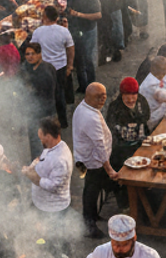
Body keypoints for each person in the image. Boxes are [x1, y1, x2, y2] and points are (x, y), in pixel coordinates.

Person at [22, 117, 74, 255]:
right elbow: (42, 158)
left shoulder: (60, 159)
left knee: (56, 241)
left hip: (53, 208)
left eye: (42, 138)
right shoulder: (53, 147)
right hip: (44, 205)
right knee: (48, 236)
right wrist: (32, 166)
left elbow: (53, 186)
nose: (40, 141)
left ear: (49, 136)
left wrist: (34, 177)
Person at [74, 83, 118, 239]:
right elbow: (99, 145)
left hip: (85, 158)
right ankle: (89, 225)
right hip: (91, 161)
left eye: (104, 95)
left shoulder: (86, 107)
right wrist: (109, 169)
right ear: (87, 97)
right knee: (91, 191)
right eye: (98, 97)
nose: (102, 100)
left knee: (93, 188)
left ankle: (93, 214)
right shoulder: (90, 117)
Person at [31, 5, 75, 126]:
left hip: (44, 69)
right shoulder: (64, 31)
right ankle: (63, 121)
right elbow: (71, 49)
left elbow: (33, 49)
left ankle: (46, 122)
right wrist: (70, 66)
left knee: (45, 95)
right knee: (59, 92)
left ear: (45, 17)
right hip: (60, 67)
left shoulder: (38, 32)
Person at [21, 42, 58, 161]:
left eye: (32, 54)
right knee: (36, 141)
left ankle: (42, 164)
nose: (30, 57)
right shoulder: (27, 68)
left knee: (42, 141)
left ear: (39, 54)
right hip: (34, 111)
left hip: (43, 112)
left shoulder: (45, 72)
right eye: (27, 54)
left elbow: (49, 92)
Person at [67, 0, 103, 92]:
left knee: (88, 58)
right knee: (78, 58)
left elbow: (98, 15)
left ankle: (91, 84)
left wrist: (78, 14)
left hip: (88, 32)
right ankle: (83, 85)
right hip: (76, 32)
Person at [106, 76, 151, 170]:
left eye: (133, 96)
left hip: (140, 145)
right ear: (121, 94)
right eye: (127, 97)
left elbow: (146, 118)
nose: (130, 100)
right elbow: (111, 133)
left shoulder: (142, 102)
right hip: (121, 150)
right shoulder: (114, 108)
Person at [138, 56, 166, 130]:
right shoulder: (151, 86)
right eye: (164, 73)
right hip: (154, 121)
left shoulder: (160, 74)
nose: (165, 75)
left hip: (162, 111)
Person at [88, 214, 161, 258]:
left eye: (124, 245)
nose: (119, 249)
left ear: (134, 238)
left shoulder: (149, 256)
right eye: (115, 244)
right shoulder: (101, 253)